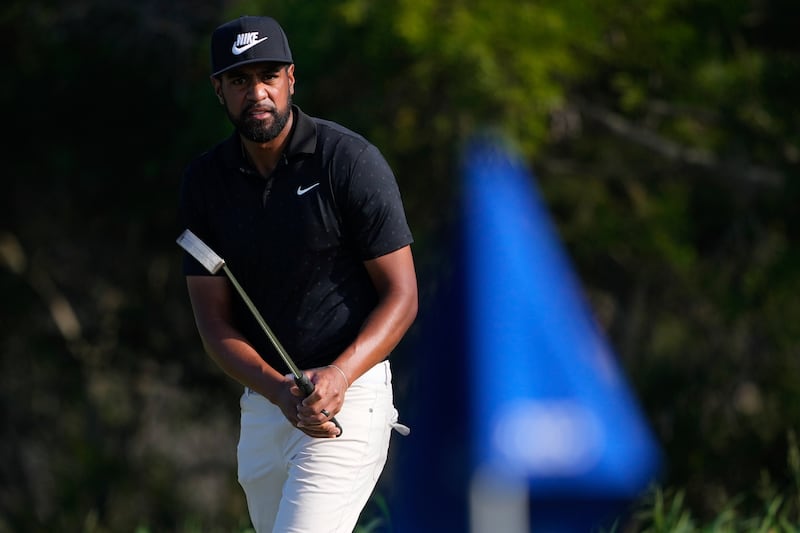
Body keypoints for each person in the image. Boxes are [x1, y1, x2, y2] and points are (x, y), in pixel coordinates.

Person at [178, 15, 418, 533]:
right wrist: (275, 388)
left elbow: (401, 295)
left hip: (347, 400)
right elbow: (214, 324)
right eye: (240, 80)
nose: (256, 92)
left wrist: (339, 374)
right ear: (219, 90)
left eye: (268, 75)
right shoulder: (204, 182)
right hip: (267, 405)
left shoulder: (348, 161)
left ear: (291, 78)